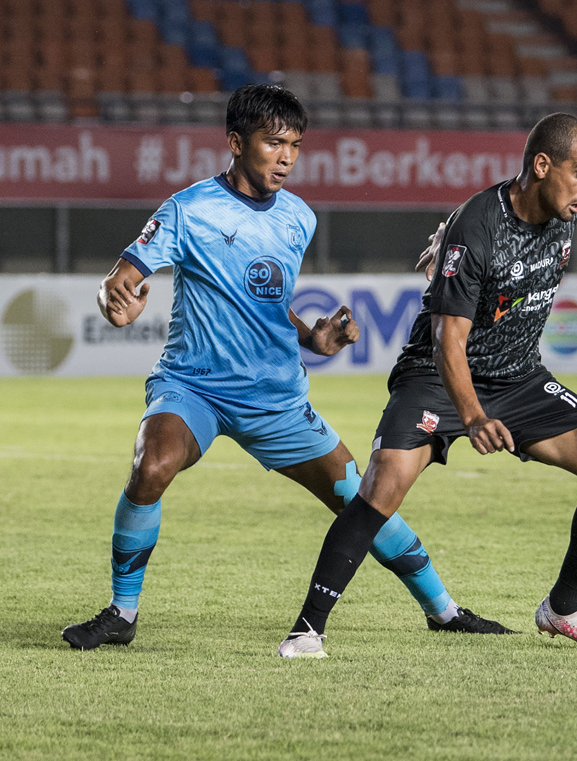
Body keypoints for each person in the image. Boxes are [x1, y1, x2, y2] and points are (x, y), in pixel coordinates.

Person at [62, 84, 511, 651]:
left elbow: (269, 303)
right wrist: (115, 305)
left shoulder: (299, 218)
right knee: (151, 465)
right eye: (273, 143)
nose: (286, 157)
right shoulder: (188, 210)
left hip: (276, 399)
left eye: (295, 145)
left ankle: (443, 611)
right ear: (236, 142)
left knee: (363, 497)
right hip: (194, 387)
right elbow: (119, 281)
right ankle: (121, 613)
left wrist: (312, 336)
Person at [277, 112, 577, 658]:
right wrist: (472, 416)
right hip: (436, 377)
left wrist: (445, 243)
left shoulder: (560, 216)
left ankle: (564, 608)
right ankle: (307, 630)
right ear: (543, 166)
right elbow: (448, 341)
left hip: (518, 378)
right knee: (383, 483)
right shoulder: (479, 226)